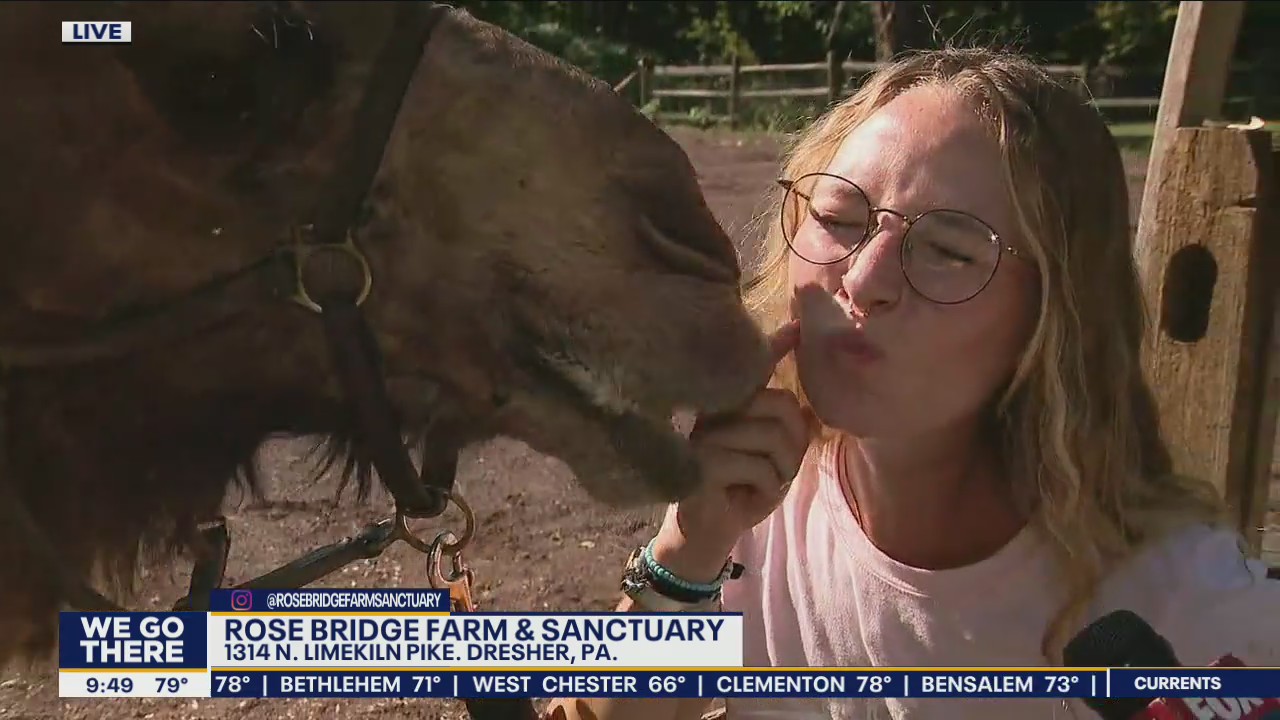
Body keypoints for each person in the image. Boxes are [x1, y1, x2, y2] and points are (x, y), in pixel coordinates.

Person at [544, 47, 1280, 720]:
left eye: (949, 251)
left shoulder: (1185, 610)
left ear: (1056, 317)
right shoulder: (757, 507)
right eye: (839, 217)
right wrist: (682, 558)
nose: (863, 281)